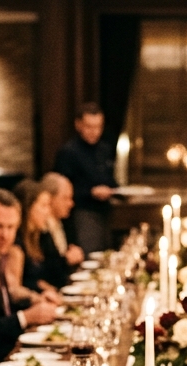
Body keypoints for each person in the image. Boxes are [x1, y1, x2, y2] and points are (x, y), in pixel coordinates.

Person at [0, 187, 58, 362]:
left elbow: (6, 305)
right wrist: (26, 317)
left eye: (11, 227)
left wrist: (34, 300)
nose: (5, 235)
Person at [54, 102, 118, 254]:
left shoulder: (104, 149)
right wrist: (91, 192)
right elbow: (61, 190)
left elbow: (110, 179)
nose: (94, 132)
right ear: (78, 125)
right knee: (91, 253)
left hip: (106, 211)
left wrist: (117, 190)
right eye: (89, 126)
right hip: (82, 212)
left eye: (98, 127)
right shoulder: (68, 152)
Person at [10, 180, 64, 303]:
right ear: (28, 207)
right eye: (43, 206)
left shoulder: (40, 237)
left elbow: (58, 274)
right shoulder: (15, 243)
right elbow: (15, 290)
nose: (48, 212)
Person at [39, 171, 85, 285]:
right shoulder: (41, 229)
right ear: (50, 198)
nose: (71, 203)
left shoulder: (64, 223)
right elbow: (45, 271)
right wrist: (66, 260)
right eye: (66, 198)